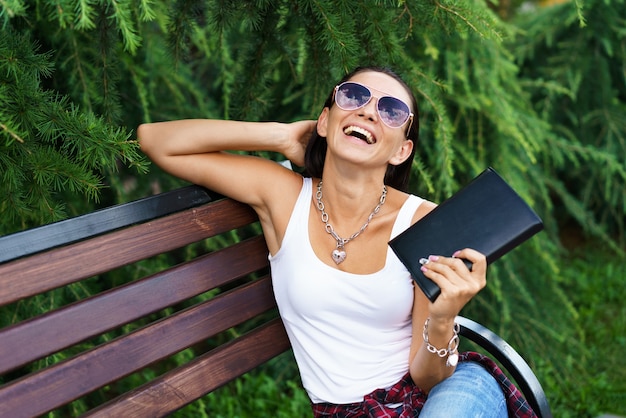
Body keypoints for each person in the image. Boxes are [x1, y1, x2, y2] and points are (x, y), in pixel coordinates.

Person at [138, 66, 536, 417]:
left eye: (391, 110)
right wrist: (279, 136)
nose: (367, 111)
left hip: (447, 396)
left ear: (402, 150)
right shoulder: (283, 197)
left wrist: (445, 315)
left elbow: (429, 379)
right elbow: (157, 140)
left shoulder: (422, 221)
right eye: (354, 95)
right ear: (325, 121)